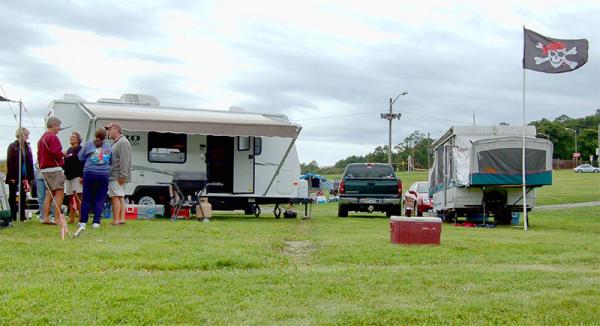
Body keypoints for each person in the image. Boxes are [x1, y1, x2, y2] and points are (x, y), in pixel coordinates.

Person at [76, 128, 112, 233]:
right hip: (104, 175)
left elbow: (80, 157)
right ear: (105, 137)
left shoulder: (88, 145)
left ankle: (83, 221)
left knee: (86, 198)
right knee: (100, 198)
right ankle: (96, 221)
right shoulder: (108, 146)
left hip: (89, 173)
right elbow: (111, 160)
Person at [37, 117, 66, 225]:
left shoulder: (42, 138)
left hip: (44, 169)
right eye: (58, 126)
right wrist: (62, 154)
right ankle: (57, 218)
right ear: (53, 125)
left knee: (49, 193)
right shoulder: (53, 137)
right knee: (59, 192)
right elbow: (56, 153)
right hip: (54, 168)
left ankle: (46, 217)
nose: (59, 129)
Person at [6, 127, 34, 221]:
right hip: (14, 175)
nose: (27, 137)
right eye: (26, 135)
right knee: (13, 195)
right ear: (20, 135)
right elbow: (9, 162)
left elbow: (30, 162)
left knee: (23, 195)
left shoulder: (27, 147)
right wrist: (11, 176)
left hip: (25, 175)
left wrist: (31, 177)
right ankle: (13, 215)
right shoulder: (12, 146)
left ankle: (22, 216)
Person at [106, 123, 131, 225]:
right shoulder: (117, 142)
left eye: (110, 129)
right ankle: (121, 219)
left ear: (116, 129)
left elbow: (125, 160)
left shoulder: (123, 142)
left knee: (115, 196)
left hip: (117, 175)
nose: (108, 132)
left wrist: (123, 175)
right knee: (120, 196)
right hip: (116, 175)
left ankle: (116, 220)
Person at [63, 131, 84, 224]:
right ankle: (72, 218)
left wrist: (82, 176)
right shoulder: (69, 150)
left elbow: (82, 163)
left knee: (78, 197)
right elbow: (66, 162)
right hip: (68, 177)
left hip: (77, 176)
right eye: (71, 136)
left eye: (74, 137)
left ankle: (81, 218)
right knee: (71, 198)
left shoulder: (80, 149)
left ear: (78, 139)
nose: (71, 138)